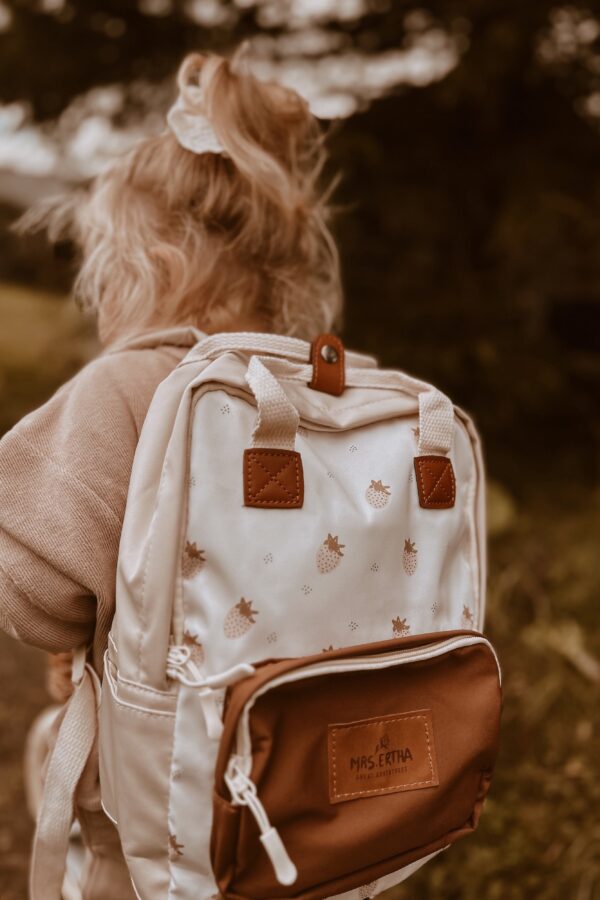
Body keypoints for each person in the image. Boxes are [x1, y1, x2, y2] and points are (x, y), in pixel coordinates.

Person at [0, 46, 342, 899]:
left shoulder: (131, 389)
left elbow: (28, 589)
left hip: (168, 808)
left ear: (145, 265)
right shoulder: (325, 391)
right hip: (317, 789)